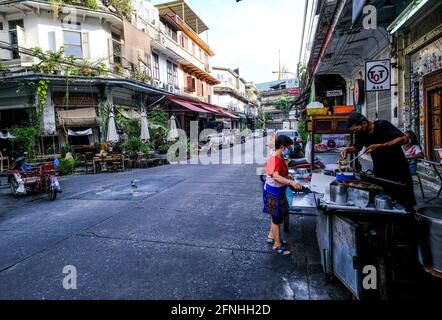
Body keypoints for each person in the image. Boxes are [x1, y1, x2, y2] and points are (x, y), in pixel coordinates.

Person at [341, 112, 416, 211]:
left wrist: (381, 145)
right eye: (354, 131)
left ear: (364, 123)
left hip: (398, 168)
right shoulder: (360, 134)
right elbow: (356, 148)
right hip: (380, 170)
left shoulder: (383, 125)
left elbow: (404, 139)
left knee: (404, 201)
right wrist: (346, 150)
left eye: (357, 128)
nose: (356, 132)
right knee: (385, 200)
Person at [263, 135, 302, 256]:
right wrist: (290, 182)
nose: (289, 149)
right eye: (288, 147)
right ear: (282, 147)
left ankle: (273, 236)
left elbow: (279, 174)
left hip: (277, 191)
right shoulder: (274, 159)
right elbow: (275, 176)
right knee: (276, 219)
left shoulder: (280, 157)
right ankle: (277, 244)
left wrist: (287, 177)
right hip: (273, 193)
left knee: (276, 217)